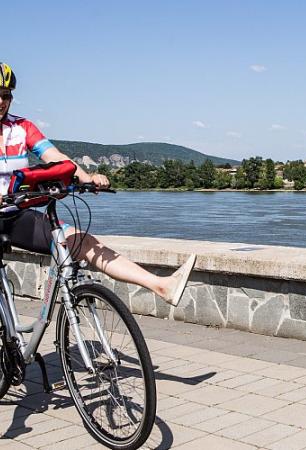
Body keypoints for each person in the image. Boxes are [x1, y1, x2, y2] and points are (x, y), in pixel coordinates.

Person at [0, 62, 195, 306]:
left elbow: (57, 158)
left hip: (16, 215)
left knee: (83, 242)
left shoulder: (21, 128)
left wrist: (86, 178)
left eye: (5, 95)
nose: (1, 101)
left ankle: (162, 286)